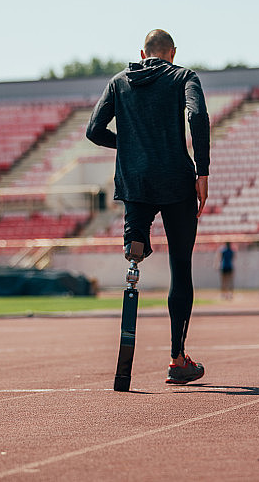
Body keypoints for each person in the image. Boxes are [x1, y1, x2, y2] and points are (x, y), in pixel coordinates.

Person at [86, 29, 210, 385]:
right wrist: (202, 172)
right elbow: (197, 116)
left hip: (135, 183)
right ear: (172, 52)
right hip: (175, 181)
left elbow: (94, 131)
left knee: (136, 232)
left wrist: (129, 144)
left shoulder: (118, 82)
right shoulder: (183, 76)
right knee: (180, 266)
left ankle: (134, 244)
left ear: (143, 53)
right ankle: (177, 358)